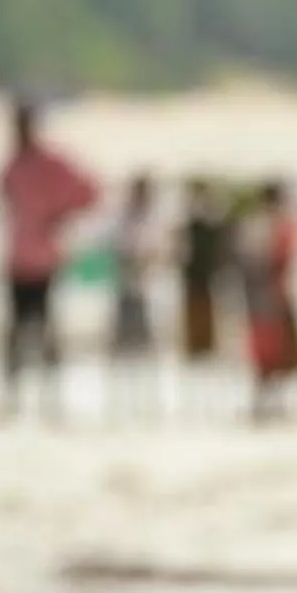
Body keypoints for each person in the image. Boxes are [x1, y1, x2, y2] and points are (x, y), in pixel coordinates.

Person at [0, 97, 99, 422]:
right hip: (17, 260)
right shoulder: (12, 166)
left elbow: (90, 191)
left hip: (44, 260)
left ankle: (51, 399)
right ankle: (12, 398)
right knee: (15, 332)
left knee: (45, 329)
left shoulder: (51, 163)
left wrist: (59, 215)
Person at [239, 180, 297, 423]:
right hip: (267, 297)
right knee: (266, 354)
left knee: (278, 355)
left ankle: (275, 404)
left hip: (272, 297)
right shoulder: (267, 227)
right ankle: (268, 404)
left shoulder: (278, 227)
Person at [106, 171, 162, 421]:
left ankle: (145, 401)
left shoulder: (150, 220)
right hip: (126, 288)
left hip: (143, 291)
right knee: (122, 347)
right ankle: (120, 401)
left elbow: (156, 252)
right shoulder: (124, 219)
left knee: (143, 347)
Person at [177, 177, 230, 410]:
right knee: (193, 349)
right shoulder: (189, 227)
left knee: (209, 348)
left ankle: (210, 400)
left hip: (208, 291)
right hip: (193, 291)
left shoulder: (212, 228)